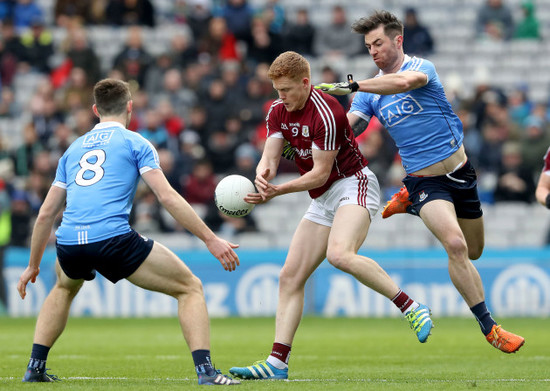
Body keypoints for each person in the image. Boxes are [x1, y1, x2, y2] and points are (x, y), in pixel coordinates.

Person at [315, 10, 525, 354]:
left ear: (398, 39)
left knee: (474, 250)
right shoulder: (367, 93)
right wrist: (321, 134)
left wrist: (355, 85)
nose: (373, 51)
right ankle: (491, 328)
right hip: (426, 183)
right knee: (455, 246)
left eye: (378, 43)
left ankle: (409, 206)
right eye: (368, 46)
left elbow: (401, 83)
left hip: (461, 174)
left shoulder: (422, 68)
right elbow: (352, 126)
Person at [16, 78, 240, 385]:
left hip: (68, 241)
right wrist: (211, 239)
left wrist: (32, 265)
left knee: (64, 287)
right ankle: (206, 372)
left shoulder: (73, 149)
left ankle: (34, 368)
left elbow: (44, 215)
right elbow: (167, 197)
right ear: (130, 107)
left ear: (95, 110)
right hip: (111, 238)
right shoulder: (136, 142)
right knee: (190, 287)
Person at [228, 51, 433, 381]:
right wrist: (262, 176)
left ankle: (411, 307)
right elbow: (270, 154)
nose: (281, 97)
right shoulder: (278, 111)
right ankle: (277, 363)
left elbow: (320, 174)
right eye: (277, 91)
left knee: (340, 254)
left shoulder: (327, 112)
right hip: (323, 199)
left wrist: (277, 191)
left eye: (287, 90)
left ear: (306, 84)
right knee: (290, 277)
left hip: (353, 184)